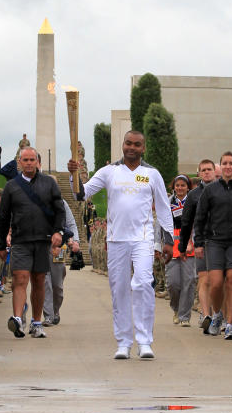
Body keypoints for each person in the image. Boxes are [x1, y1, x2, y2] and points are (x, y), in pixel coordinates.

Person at [67, 131, 174, 359]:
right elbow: (80, 195)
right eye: (128, 143)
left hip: (143, 238)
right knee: (119, 290)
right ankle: (124, 342)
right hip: (116, 239)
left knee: (144, 283)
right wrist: (73, 175)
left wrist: (168, 240)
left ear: (143, 148)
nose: (131, 148)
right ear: (122, 145)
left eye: (136, 144)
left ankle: (144, 341)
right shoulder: (109, 172)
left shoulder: (152, 174)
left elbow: (164, 208)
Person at [0, 147, 66, 339]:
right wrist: (2, 244)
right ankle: (18, 319)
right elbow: (3, 217)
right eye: (25, 160)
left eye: (32, 160)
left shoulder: (49, 184)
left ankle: (36, 322)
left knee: (38, 281)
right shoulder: (12, 186)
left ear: (37, 162)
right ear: (19, 162)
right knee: (20, 278)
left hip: (43, 241)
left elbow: (59, 210)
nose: (29, 163)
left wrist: (58, 232)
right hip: (20, 240)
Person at [193, 151, 232, 340]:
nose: (228, 166)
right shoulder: (210, 190)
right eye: (225, 163)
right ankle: (217, 313)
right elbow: (200, 218)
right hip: (214, 241)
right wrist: (198, 243)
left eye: (231, 163)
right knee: (216, 283)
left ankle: (229, 325)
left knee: (231, 280)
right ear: (221, 166)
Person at [178, 159, 217, 333]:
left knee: (218, 281)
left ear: (215, 172)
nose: (207, 172)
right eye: (203, 170)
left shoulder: (224, 190)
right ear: (199, 173)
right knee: (204, 279)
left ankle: (218, 314)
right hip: (201, 241)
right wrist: (184, 244)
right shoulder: (193, 195)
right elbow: (186, 222)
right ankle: (205, 314)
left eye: (210, 169)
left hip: (221, 241)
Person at [165, 175, 196, 327]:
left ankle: (184, 316)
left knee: (188, 282)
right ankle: (176, 309)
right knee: (173, 283)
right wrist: (160, 245)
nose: (180, 188)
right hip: (172, 247)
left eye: (183, 185)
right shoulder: (168, 202)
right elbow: (161, 224)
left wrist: (192, 242)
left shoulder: (193, 202)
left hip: (189, 246)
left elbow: (197, 223)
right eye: (177, 185)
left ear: (188, 187)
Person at [43, 197, 80, 326]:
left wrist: (75, 241)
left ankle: (56, 310)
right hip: (42, 246)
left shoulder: (62, 203)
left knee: (57, 284)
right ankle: (48, 315)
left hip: (60, 246)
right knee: (44, 282)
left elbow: (71, 223)